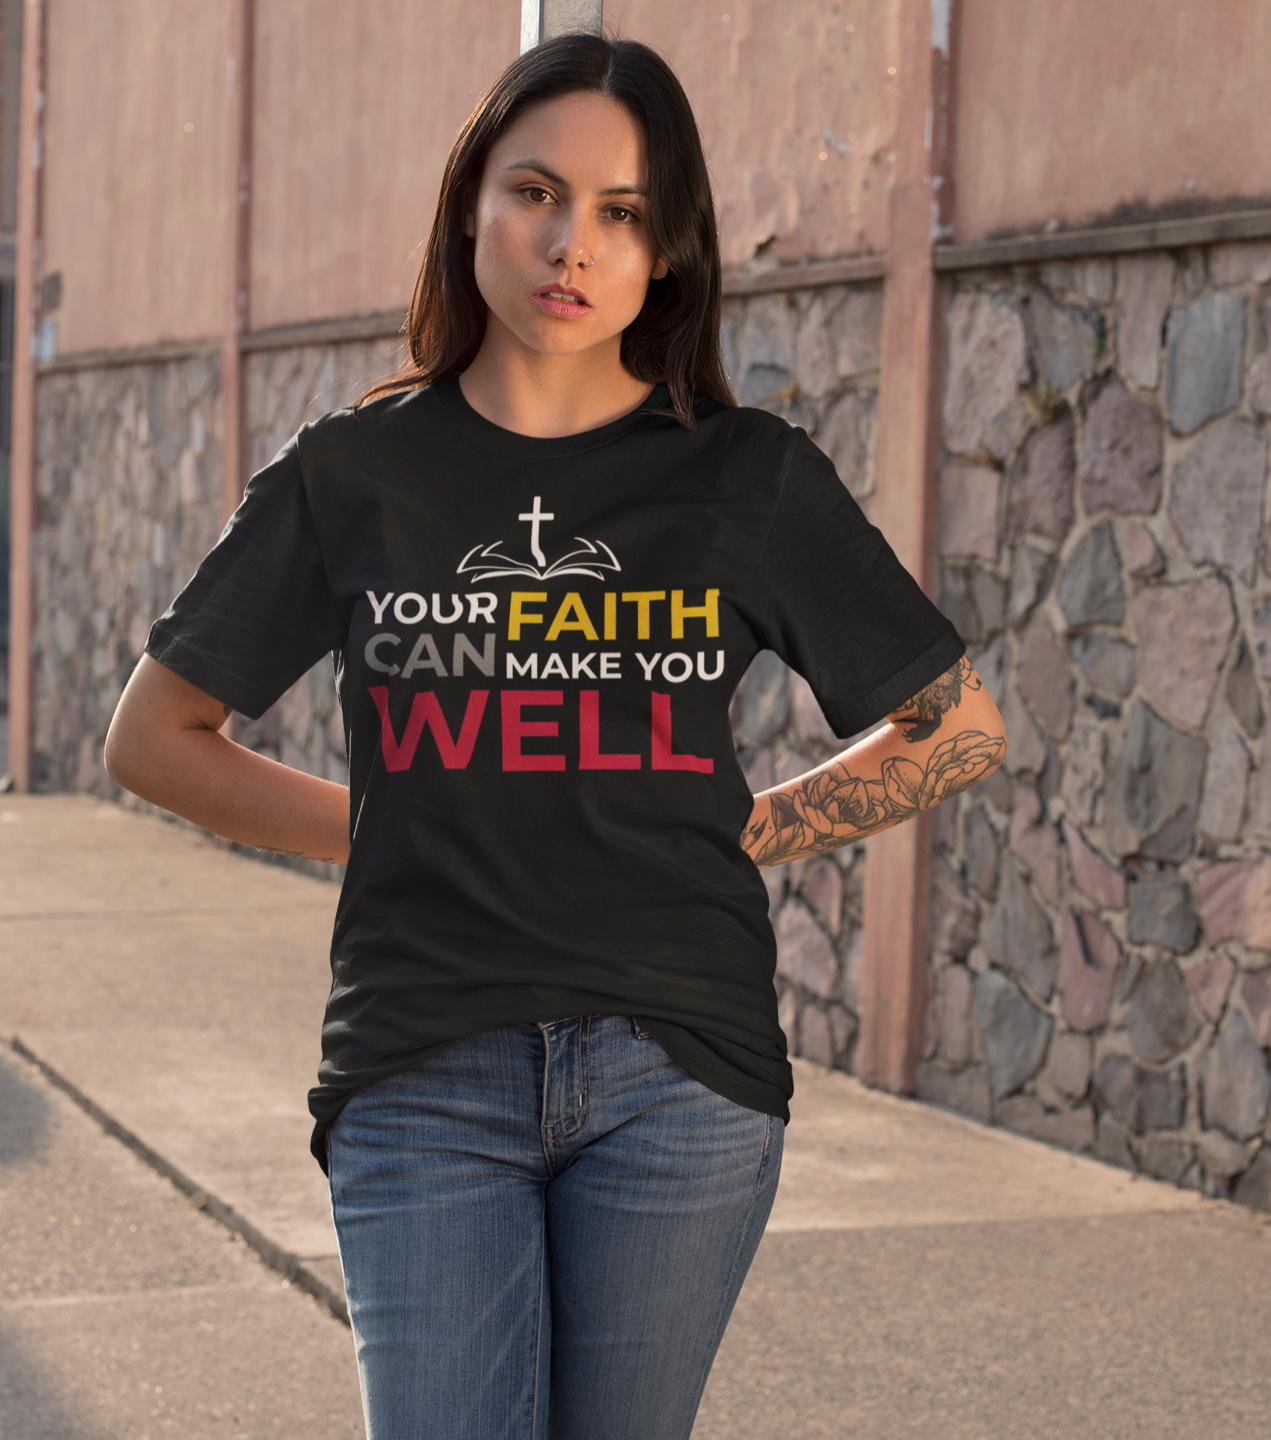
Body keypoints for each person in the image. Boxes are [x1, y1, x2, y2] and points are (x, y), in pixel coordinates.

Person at [104, 32, 1006, 1440]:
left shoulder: (743, 477)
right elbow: (157, 737)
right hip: (423, 1063)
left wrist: (754, 829)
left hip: (678, 1073)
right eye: (535, 192)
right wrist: (387, 828)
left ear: (668, 251)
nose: (571, 243)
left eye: (622, 211)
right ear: (471, 205)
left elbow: (956, 729)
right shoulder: (355, 472)